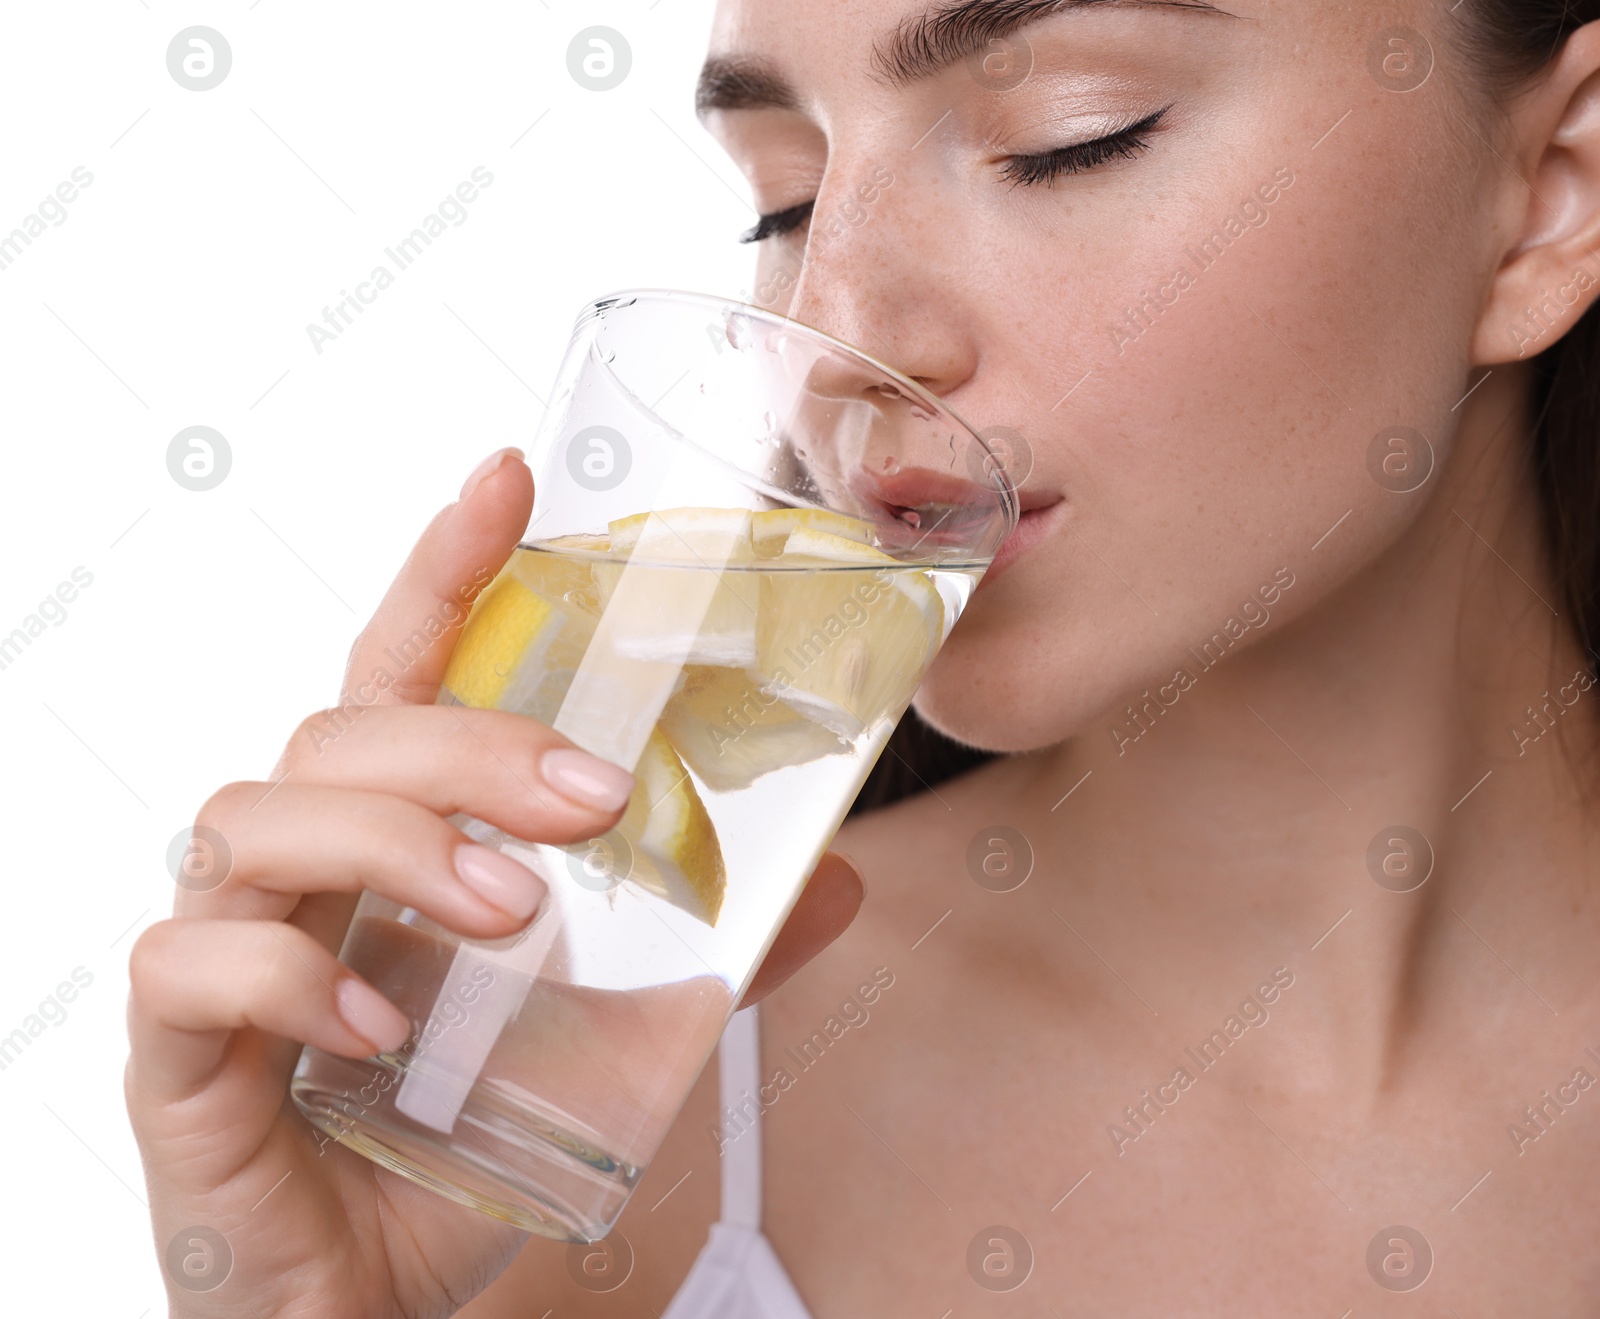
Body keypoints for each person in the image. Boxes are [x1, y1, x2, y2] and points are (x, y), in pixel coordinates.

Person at [129, 0, 1600, 1311]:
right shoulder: (602, 1100)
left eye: (1067, 138)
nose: (833, 335)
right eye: (784, 200)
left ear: (1551, 195)